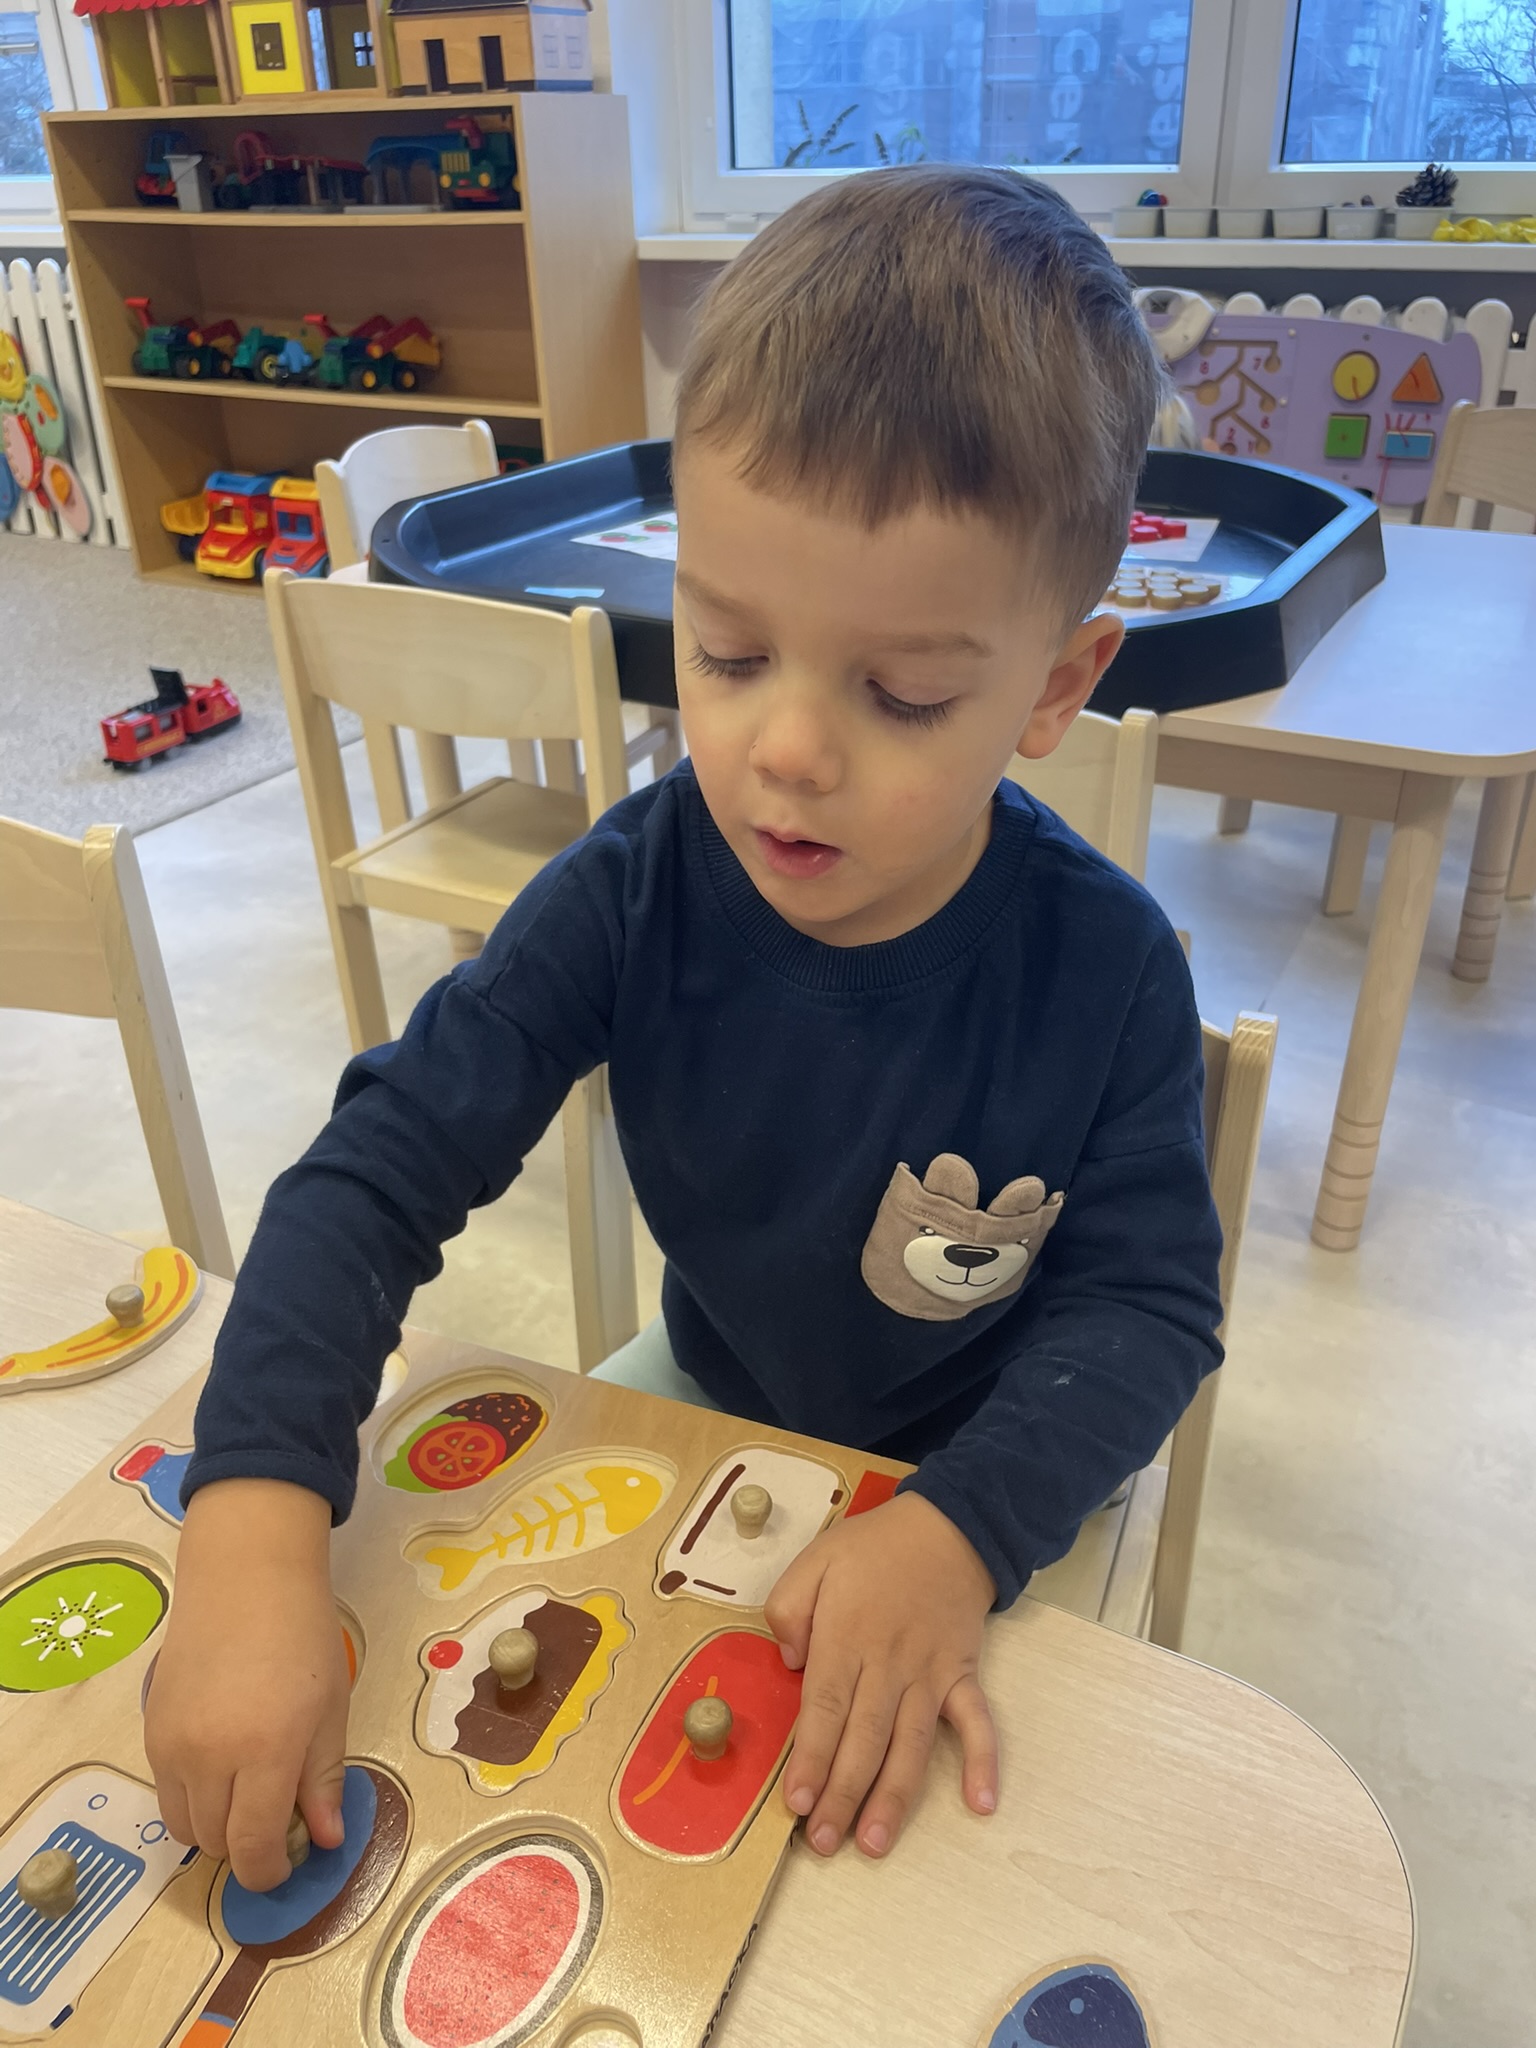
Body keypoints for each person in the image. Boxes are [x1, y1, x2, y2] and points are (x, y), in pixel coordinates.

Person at [145, 165, 1223, 1895]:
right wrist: (253, 1524)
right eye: (724, 652)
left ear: (1054, 685)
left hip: (999, 1482)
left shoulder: (1110, 967)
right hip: (716, 1405)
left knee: (956, 1881)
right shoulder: (636, 888)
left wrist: (958, 1529)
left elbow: (1149, 1306)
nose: (785, 750)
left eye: (902, 694)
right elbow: (375, 1171)